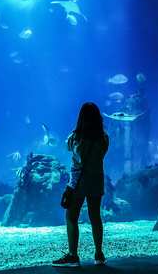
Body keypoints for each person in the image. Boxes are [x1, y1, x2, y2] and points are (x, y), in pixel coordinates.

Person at [52, 102, 109, 268]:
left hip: (79, 180)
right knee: (95, 216)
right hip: (97, 179)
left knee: (71, 216)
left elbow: (67, 146)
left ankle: (73, 256)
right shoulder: (104, 137)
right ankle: (99, 254)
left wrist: (76, 130)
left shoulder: (76, 136)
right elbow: (103, 152)